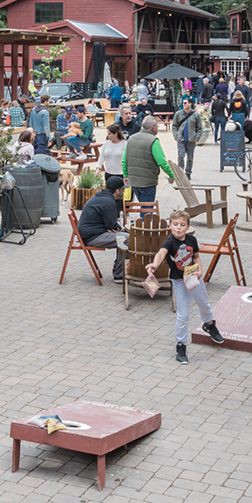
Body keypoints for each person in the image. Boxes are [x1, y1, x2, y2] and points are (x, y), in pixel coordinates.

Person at [147, 208, 223, 362]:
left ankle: (209, 324)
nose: (178, 228)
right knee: (183, 315)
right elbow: (161, 254)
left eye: (182, 224)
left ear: (188, 227)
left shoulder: (191, 240)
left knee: (204, 304)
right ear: (170, 225)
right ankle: (181, 346)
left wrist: (200, 271)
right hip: (179, 282)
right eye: (175, 224)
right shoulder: (169, 241)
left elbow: (196, 257)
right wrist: (154, 265)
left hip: (194, 277)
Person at [78, 174, 129, 281]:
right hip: (92, 237)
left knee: (125, 235)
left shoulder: (102, 196)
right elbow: (112, 225)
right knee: (126, 239)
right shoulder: (108, 202)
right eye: (122, 190)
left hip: (90, 233)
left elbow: (112, 226)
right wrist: (115, 228)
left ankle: (118, 269)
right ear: (117, 191)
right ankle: (119, 274)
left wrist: (115, 228)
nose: (124, 192)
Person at [122, 114, 175, 204]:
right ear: (152, 127)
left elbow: (124, 160)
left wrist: (126, 175)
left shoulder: (131, 139)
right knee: (147, 209)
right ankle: (145, 219)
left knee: (143, 205)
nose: (157, 128)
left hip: (134, 181)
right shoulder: (153, 140)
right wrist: (171, 175)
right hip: (148, 182)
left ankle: (143, 218)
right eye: (157, 126)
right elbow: (161, 162)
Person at [173, 98, 203, 180]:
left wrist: (196, 138)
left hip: (191, 140)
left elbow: (200, 128)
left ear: (190, 104)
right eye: (183, 103)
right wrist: (176, 136)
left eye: (185, 103)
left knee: (190, 158)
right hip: (181, 139)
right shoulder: (178, 114)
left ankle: (188, 173)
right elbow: (174, 126)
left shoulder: (195, 115)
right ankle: (181, 172)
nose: (184, 104)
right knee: (181, 155)